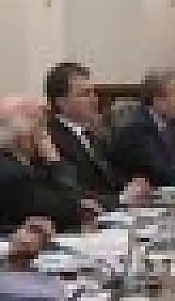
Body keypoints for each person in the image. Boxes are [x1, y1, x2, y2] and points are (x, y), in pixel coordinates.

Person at [45, 62, 134, 204]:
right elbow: (76, 191)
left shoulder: (94, 133)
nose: (94, 100)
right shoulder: (53, 139)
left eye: (94, 92)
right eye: (85, 94)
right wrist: (121, 199)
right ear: (61, 102)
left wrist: (132, 186)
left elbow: (111, 175)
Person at [0, 99, 90, 233]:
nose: (46, 135)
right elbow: (67, 211)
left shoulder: (27, 164)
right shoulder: (12, 172)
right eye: (40, 127)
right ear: (25, 136)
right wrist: (57, 163)